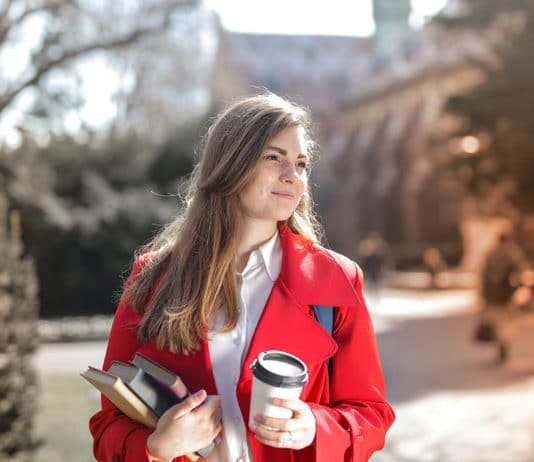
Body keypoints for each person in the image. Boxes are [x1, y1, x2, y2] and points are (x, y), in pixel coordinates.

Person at [89, 93, 395, 462]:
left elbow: (371, 414)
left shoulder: (337, 280)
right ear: (230, 165)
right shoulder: (153, 279)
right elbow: (109, 424)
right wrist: (156, 448)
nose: (292, 176)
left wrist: (315, 427)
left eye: (301, 163)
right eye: (273, 157)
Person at [479, 232, 524, 363]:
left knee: (496, 321)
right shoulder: (512, 253)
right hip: (506, 295)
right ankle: (503, 342)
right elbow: (520, 270)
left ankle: (500, 343)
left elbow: (484, 276)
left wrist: (483, 294)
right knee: (506, 321)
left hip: (492, 295)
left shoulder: (491, 254)